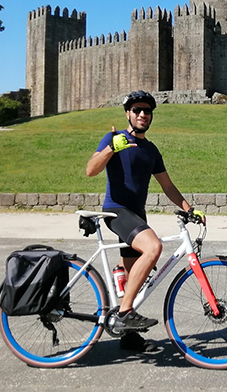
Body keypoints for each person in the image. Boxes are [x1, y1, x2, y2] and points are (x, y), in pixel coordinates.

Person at [86, 90, 205, 350]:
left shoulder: (151, 150)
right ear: (128, 113)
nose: (142, 114)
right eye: (137, 110)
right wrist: (110, 148)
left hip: (136, 215)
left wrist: (189, 208)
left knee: (134, 282)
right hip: (116, 211)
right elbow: (90, 170)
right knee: (154, 248)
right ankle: (124, 314)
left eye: (147, 111)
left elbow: (168, 186)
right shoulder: (114, 138)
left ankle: (128, 337)